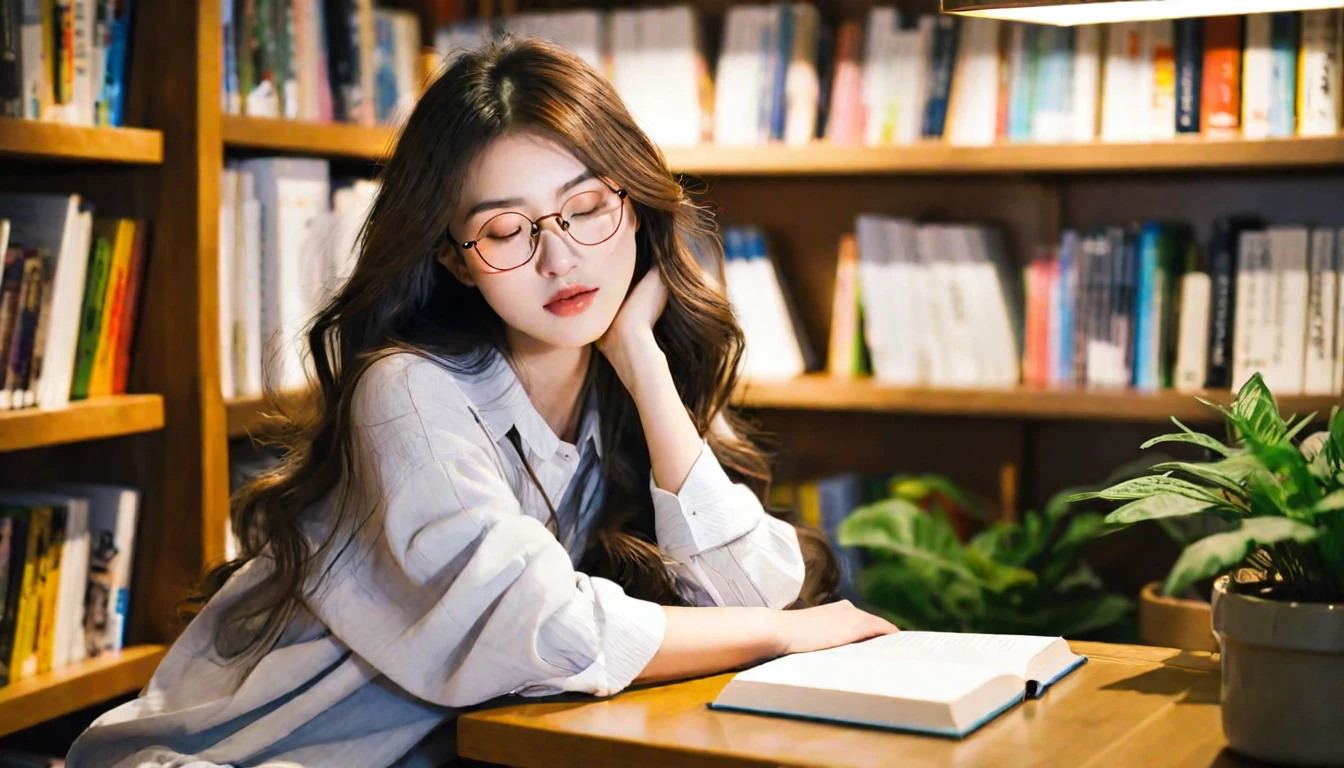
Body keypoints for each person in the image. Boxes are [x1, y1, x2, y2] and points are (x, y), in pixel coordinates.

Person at [66, 35, 897, 768]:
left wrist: (642, 361)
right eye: (508, 230)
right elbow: (539, 628)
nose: (561, 258)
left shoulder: (615, 384)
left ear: (635, 207)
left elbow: (749, 597)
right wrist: (791, 635)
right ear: (458, 257)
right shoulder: (408, 393)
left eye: (586, 208)